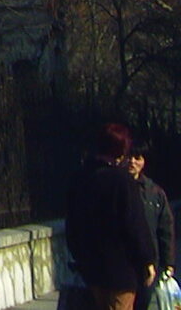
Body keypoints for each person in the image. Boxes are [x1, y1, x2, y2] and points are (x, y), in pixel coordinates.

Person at [66, 122, 156, 310]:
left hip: (90, 268)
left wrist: (80, 256)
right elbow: (135, 225)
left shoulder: (81, 178)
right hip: (120, 271)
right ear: (122, 150)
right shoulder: (122, 181)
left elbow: (72, 224)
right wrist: (147, 260)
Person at [129, 141, 175, 310]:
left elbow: (165, 229)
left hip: (148, 264)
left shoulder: (154, 192)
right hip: (123, 263)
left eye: (137, 158)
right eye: (129, 157)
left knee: (142, 303)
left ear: (144, 162)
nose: (132, 162)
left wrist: (168, 263)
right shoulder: (115, 187)